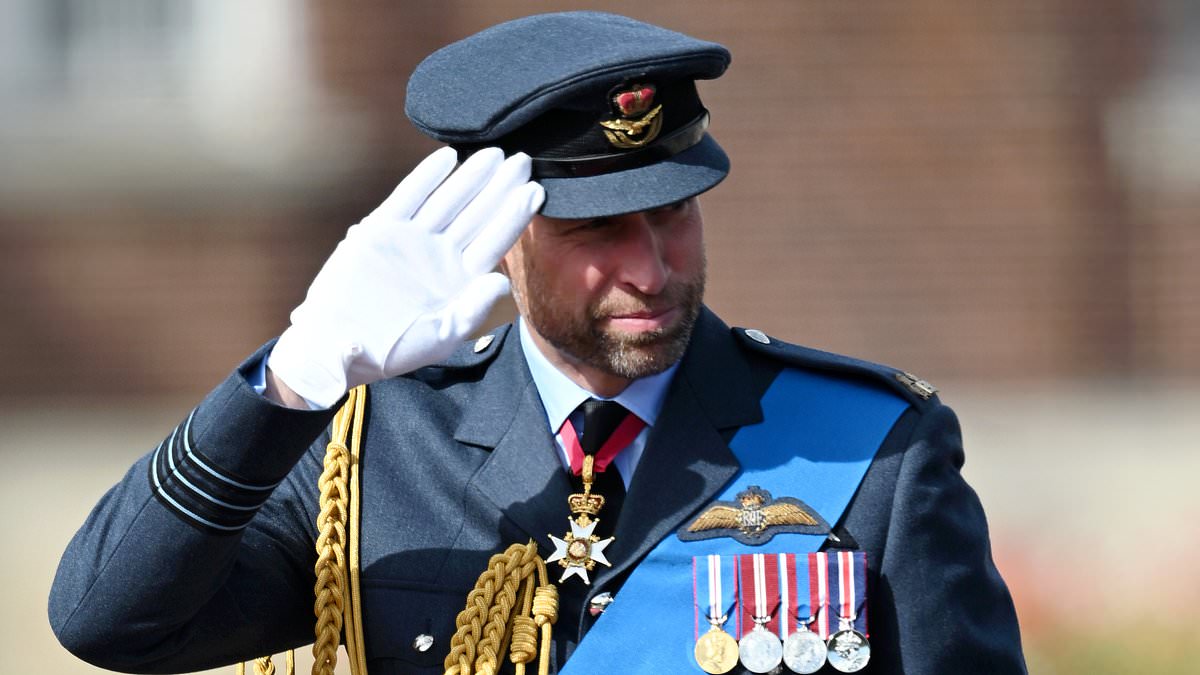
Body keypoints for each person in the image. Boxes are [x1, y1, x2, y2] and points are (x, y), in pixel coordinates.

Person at [49, 11, 1026, 675]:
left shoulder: (870, 448)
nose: (650, 269)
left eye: (674, 215)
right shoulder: (366, 448)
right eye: (594, 232)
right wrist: (289, 383)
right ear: (499, 238)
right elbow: (109, 619)